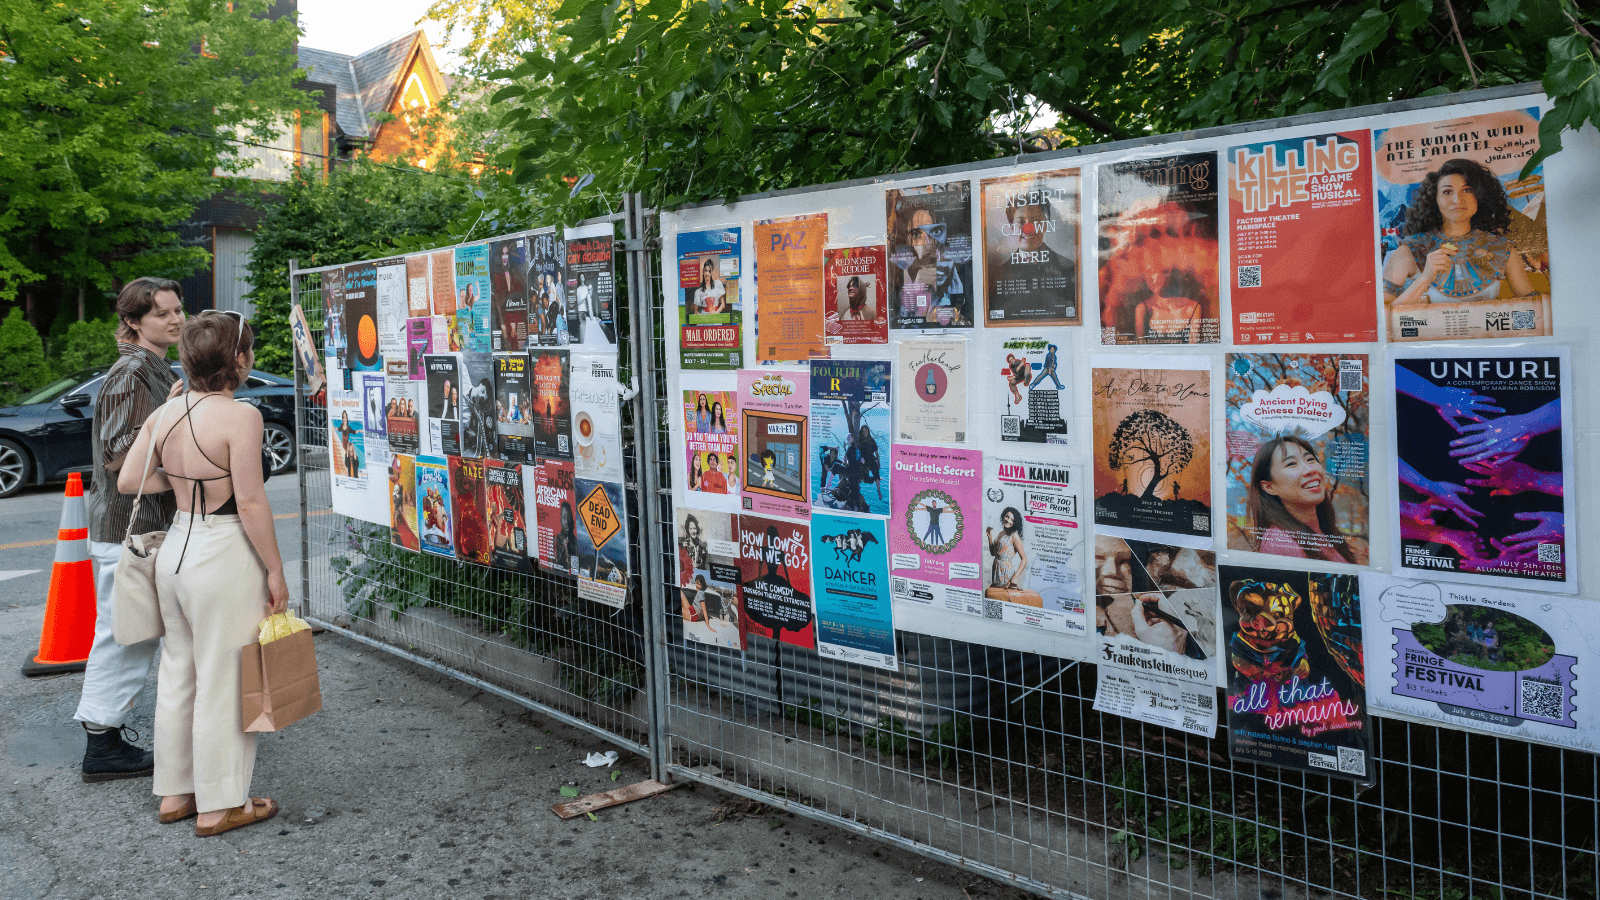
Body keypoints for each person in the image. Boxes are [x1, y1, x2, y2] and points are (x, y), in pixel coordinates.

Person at [118, 310, 288, 836]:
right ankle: (220, 805)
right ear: (238, 359)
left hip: (175, 548)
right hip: (223, 552)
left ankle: (176, 793)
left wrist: (184, 479)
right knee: (225, 678)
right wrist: (276, 572)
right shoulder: (242, 416)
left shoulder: (164, 413)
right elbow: (253, 503)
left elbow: (129, 481)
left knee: (179, 673)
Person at [77, 277, 186, 782]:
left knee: (133, 633)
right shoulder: (131, 374)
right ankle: (101, 745)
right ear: (133, 322)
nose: (175, 320)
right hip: (128, 527)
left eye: (178, 310)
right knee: (125, 636)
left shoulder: (156, 368)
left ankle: (108, 739)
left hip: (141, 526)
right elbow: (124, 462)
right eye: (162, 314)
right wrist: (204, 475)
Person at [1383, 158, 1536, 308]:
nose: (1457, 199)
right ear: (1434, 198)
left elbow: (1536, 309)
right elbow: (1381, 319)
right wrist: (1425, 278)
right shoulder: (1409, 251)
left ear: (1480, 196)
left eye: (1467, 190)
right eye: (1447, 191)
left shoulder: (1503, 249)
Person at [1246, 434, 1358, 564]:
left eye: (1310, 459)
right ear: (1269, 487)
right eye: (1292, 463)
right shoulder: (1280, 542)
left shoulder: (1325, 531)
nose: (1309, 469)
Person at [986, 507, 1029, 590]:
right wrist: (990, 538)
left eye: (1012, 520)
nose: (1008, 521)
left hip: (1006, 572)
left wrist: (1015, 577)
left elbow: (1024, 559)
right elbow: (993, 553)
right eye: (1007, 517)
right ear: (1003, 517)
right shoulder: (1001, 534)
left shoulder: (1014, 535)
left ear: (1015, 523)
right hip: (996, 570)